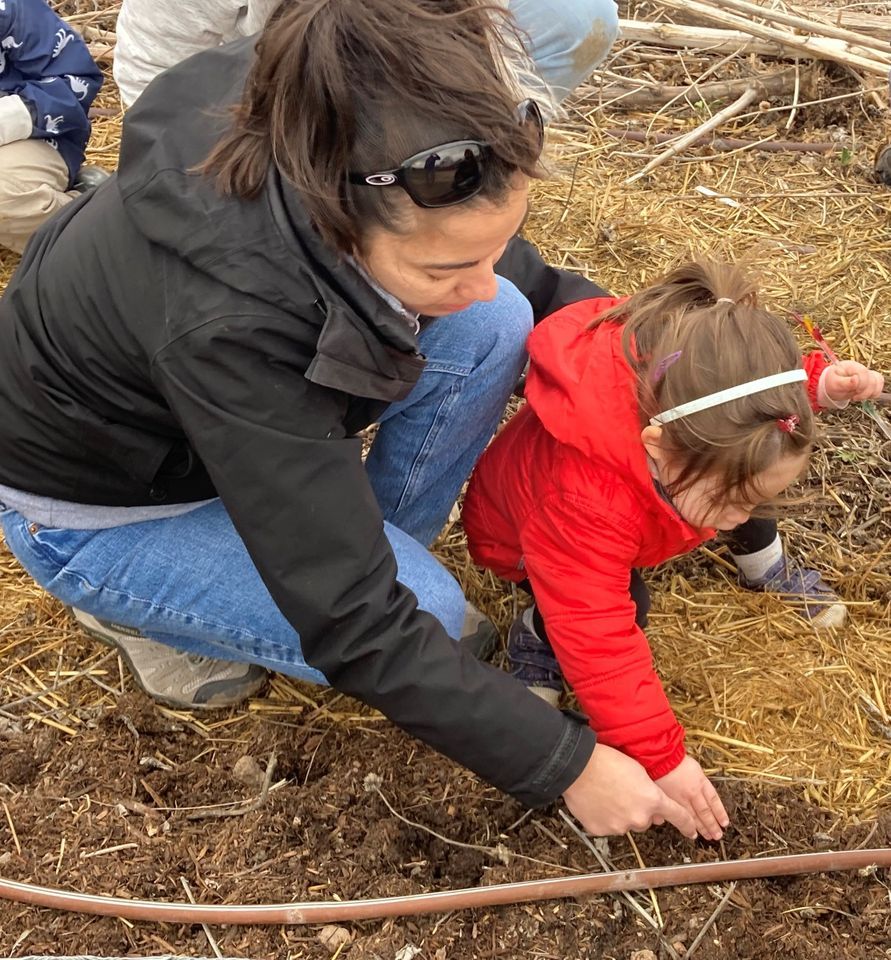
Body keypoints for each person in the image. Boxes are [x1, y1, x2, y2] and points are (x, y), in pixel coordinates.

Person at [0, 0, 696, 840]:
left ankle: (358, 542)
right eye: (446, 265)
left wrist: (658, 363)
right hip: (114, 505)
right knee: (426, 620)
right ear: (340, 220)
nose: (479, 275)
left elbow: (499, 268)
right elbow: (353, 622)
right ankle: (122, 600)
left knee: (494, 318)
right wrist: (562, 763)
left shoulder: (331, 115)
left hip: (215, 433)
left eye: (487, 248)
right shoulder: (230, 323)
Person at [462, 259, 885, 840]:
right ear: (658, 447)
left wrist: (816, 384)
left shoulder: (696, 391)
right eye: (729, 502)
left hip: (664, 492)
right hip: (528, 543)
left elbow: (749, 378)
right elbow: (599, 635)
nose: (740, 514)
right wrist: (662, 757)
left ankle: (765, 567)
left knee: (747, 477)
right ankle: (539, 637)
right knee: (625, 603)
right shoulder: (585, 500)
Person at [112, 0, 620, 109]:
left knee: (577, 16)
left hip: (406, 58)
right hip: (269, 81)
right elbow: (152, 62)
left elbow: (482, 26)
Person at [0, 0, 103, 253]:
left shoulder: (11, 10)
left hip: (37, 133)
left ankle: (92, 214)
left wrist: (10, 117)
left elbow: (75, 81)